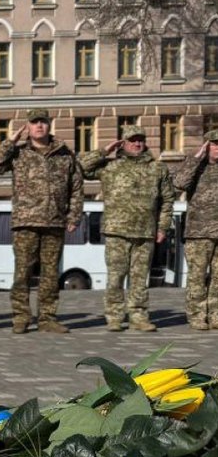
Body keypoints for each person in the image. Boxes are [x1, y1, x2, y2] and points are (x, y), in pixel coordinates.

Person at [0, 109, 85, 334]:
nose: (39, 126)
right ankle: (21, 316)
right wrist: (9, 142)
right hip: (26, 222)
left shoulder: (64, 154)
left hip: (54, 222)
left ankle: (47, 317)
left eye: (43, 122)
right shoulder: (18, 153)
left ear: (49, 125)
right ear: (28, 127)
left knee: (51, 274)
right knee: (22, 273)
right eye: (34, 123)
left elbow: (77, 187)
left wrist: (73, 216)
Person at [80, 125, 175, 332]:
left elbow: (167, 200)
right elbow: (81, 168)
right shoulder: (110, 166)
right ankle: (114, 315)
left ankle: (139, 316)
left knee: (140, 278)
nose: (137, 143)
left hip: (145, 231)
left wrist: (162, 227)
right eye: (133, 140)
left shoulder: (158, 168)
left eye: (140, 139)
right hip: (117, 231)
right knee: (116, 276)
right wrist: (104, 150)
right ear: (123, 143)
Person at [175, 131, 218, 330]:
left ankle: (215, 314)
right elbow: (179, 183)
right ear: (207, 146)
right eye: (215, 144)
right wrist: (195, 157)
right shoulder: (196, 167)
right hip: (199, 233)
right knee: (197, 276)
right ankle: (197, 315)